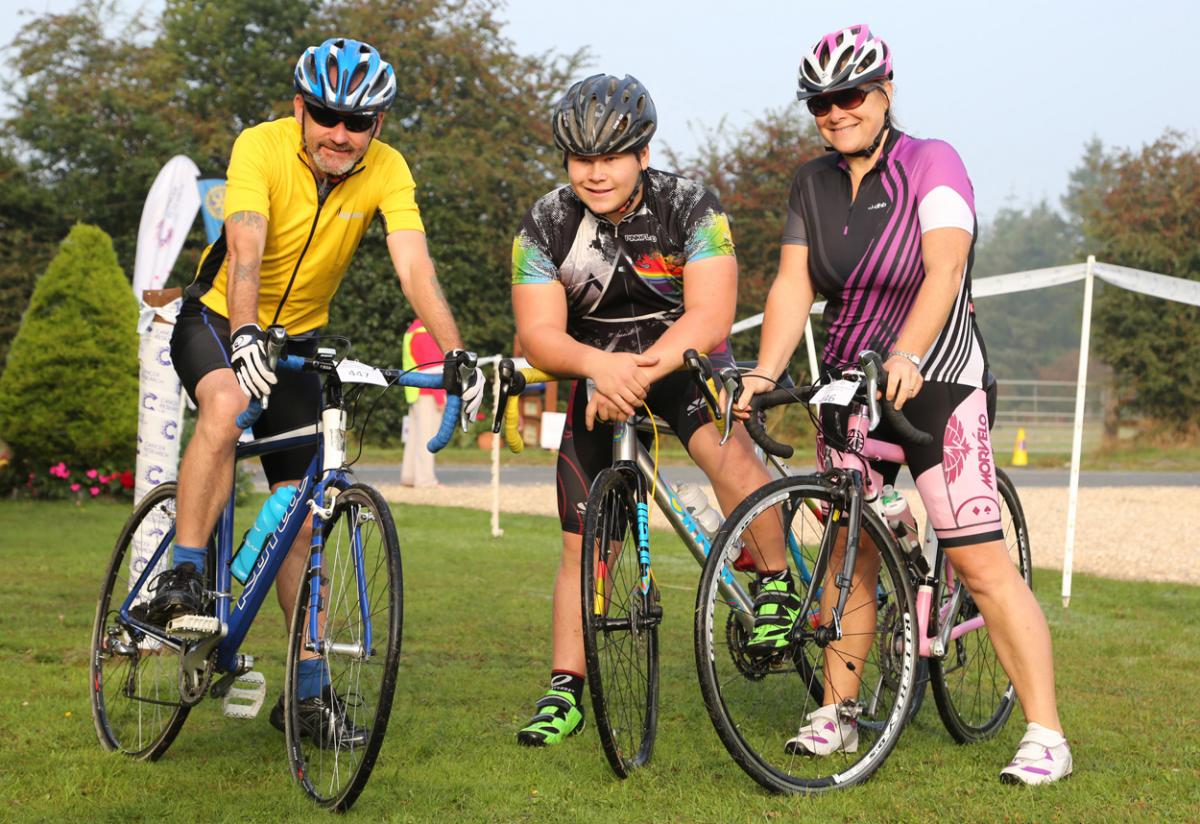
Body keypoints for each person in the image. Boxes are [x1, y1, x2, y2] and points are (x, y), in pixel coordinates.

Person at [732, 25, 1071, 784]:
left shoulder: (932, 163)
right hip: (848, 385)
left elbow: (943, 268)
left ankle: (1046, 733)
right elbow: (794, 287)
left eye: (850, 95)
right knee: (846, 558)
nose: (835, 112)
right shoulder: (810, 184)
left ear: (886, 91)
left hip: (937, 380)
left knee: (982, 564)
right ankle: (838, 712)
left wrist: (911, 353)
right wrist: (763, 371)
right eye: (821, 102)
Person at [143, 37, 483, 743]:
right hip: (216, 319)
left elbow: (414, 267)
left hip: (297, 341)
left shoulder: (388, 170)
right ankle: (181, 572)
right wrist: (242, 334)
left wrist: (454, 352)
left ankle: (306, 695)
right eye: (326, 113)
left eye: (357, 122)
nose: (339, 132)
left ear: (378, 126)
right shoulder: (259, 147)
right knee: (228, 405)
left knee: (302, 516)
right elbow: (245, 249)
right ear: (301, 107)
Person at [510, 73, 788, 747]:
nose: (595, 172)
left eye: (611, 157)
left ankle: (777, 580)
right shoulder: (544, 225)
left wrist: (629, 372)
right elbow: (539, 336)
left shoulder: (692, 206)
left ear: (642, 151)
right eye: (581, 158)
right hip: (596, 370)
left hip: (683, 359)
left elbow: (711, 315)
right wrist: (599, 368)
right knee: (580, 536)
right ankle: (566, 689)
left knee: (724, 451)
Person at [400, 317, 446, 487]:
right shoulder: (426, 334)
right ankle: (425, 479)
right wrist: (440, 397)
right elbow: (433, 368)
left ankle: (409, 476)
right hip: (428, 392)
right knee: (428, 437)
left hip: (416, 391)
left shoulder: (413, 331)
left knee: (415, 436)